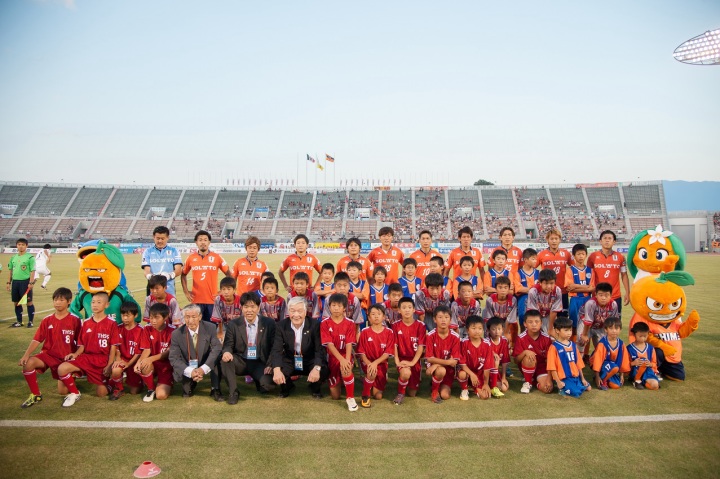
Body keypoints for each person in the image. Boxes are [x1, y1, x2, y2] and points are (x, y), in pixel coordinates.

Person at [18, 287, 81, 408]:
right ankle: (36, 395)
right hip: (48, 355)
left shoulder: (75, 320)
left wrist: (77, 357)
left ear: (69, 301)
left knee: (62, 391)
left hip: (65, 358)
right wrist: (26, 355)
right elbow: (37, 339)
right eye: (55, 300)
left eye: (61, 300)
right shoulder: (47, 320)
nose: (57, 303)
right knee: (29, 363)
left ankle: (72, 381)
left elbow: (81, 343)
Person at [57, 292, 120, 407]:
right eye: (93, 302)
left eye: (99, 302)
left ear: (106, 305)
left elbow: (113, 347)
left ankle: (111, 382)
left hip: (102, 360)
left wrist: (109, 364)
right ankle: (75, 393)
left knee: (101, 393)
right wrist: (75, 354)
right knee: (62, 368)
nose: (95, 305)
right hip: (86, 358)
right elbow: (82, 345)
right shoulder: (86, 323)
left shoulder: (112, 323)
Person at [221, 292, 276, 405]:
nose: (249, 310)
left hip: (259, 361)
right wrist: (227, 352)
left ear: (258, 307)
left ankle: (258, 380)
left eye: (252, 307)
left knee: (268, 385)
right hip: (241, 360)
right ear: (241, 308)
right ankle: (233, 392)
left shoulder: (269, 323)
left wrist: (270, 364)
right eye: (246, 307)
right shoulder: (233, 324)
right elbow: (228, 344)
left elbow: (274, 346)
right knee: (225, 360)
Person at [271, 297, 328, 398]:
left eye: (300, 311)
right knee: (277, 369)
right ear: (288, 312)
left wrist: (316, 368)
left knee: (323, 369)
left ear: (305, 312)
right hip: (290, 359)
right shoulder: (281, 325)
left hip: (309, 359)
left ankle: (315, 388)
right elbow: (277, 349)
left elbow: (319, 350)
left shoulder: (315, 325)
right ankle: (287, 387)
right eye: (292, 311)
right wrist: (276, 369)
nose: (296, 315)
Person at [169, 304, 223, 399]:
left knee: (216, 358)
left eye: (193, 317)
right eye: (187, 317)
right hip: (188, 363)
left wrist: (203, 369)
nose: (190, 321)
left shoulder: (210, 327)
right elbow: (174, 358)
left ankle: (215, 388)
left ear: (200, 317)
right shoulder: (176, 334)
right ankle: (191, 381)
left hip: (205, 360)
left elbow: (217, 348)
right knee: (186, 392)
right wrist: (190, 371)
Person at [181, 230, 231, 323]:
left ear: (209, 242)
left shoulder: (217, 257)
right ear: (196, 242)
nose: (203, 242)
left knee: (212, 327)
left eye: (205, 240)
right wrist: (186, 291)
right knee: (196, 327)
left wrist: (222, 291)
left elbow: (229, 275)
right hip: (196, 300)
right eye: (200, 240)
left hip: (212, 301)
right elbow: (183, 274)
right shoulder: (191, 258)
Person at [320, 293, 359, 411]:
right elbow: (329, 345)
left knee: (346, 368)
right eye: (333, 305)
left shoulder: (350, 323)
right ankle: (342, 380)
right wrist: (341, 360)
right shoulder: (324, 323)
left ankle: (350, 398)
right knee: (335, 396)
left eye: (339, 306)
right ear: (329, 307)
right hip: (332, 357)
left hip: (345, 354)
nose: (336, 308)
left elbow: (349, 343)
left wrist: (346, 360)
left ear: (344, 308)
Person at [135, 303, 175, 402]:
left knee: (161, 395)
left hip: (167, 366)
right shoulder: (147, 328)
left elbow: (169, 352)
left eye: (156, 318)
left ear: (166, 317)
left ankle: (168, 383)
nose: (153, 321)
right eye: (151, 317)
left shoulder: (173, 330)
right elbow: (146, 349)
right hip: (153, 363)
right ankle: (151, 388)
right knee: (143, 364)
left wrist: (150, 359)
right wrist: (140, 361)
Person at [357, 304, 396, 407]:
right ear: (369, 318)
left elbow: (387, 353)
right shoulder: (365, 332)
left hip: (381, 363)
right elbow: (361, 353)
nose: (376, 316)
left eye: (379, 314)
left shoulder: (389, 332)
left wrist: (375, 363)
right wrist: (370, 364)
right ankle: (365, 395)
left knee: (378, 396)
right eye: (373, 314)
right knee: (371, 371)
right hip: (368, 362)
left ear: (383, 317)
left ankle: (370, 381)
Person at [391, 298, 426, 405]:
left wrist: (412, 363)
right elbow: (394, 345)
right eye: (404, 307)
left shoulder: (421, 325)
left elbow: (421, 346)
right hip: (402, 358)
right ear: (399, 310)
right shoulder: (395, 325)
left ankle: (405, 381)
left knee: (412, 393)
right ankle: (400, 393)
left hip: (415, 360)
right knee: (406, 373)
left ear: (414, 309)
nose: (407, 310)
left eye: (409, 307)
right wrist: (397, 361)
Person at [587, 230, 630, 313]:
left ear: (614, 242)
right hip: (597, 296)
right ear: (600, 241)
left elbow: (624, 275)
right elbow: (588, 275)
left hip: (615, 296)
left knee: (615, 320)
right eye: (605, 238)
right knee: (597, 320)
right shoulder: (593, 256)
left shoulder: (620, 257)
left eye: (610, 238)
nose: (607, 240)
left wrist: (627, 292)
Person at [547, 316, 591, 397]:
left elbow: (578, 364)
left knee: (588, 388)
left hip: (575, 376)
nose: (569, 333)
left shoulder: (573, 345)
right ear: (557, 330)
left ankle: (575, 385)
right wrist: (558, 382)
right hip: (564, 378)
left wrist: (583, 378)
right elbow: (552, 367)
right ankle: (562, 388)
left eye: (570, 330)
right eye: (566, 330)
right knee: (576, 393)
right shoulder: (554, 347)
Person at [425, 305, 461, 403]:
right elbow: (429, 358)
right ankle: (434, 391)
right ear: (434, 319)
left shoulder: (455, 337)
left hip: (448, 369)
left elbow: (454, 362)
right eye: (440, 317)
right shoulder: (430, 335)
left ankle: (436, 382)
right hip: (433, 367)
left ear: (450, 320)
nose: (443, 320)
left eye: (446, 317)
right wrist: (446, 362)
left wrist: (437, 363)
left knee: (445, 395)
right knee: (441, 370)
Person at [108, 301, 143, 400]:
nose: (125, 318)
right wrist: (118, 359)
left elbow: (139, 352)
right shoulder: (118, 328)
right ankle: (119, 388)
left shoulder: (141, 330)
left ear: (135, 315)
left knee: (134, 391)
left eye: (128, 315)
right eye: (123, 315)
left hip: (134, 361)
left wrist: (129, 364)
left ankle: (116, 380)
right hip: (123, 359)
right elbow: (116, 347)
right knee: (116, 369)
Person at [514, 309, 554, 394]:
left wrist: (549, 379)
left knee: (547, 389)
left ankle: (534, 381)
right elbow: (516, 360)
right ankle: (528, 382)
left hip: (542, 368)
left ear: (541, 323)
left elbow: (550, 361)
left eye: (537, 322)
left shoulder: (546, 338)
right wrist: (525, 352)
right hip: (527, 365)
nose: (534, 324)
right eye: (530, 322)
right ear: (525, 324)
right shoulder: (520, 338)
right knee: (529, 357)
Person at [537, 229, 572, 316]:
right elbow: (532, 268)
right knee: (546, 316)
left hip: (563, 290)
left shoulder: (566, 254)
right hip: (547, 291)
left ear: (560, 240)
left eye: (556, 239)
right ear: (547, 240)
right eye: (551, 239)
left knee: (563, 317)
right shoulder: (541, 254)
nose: (554, 241)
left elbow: (574, 268)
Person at [457, 315, 493, 400]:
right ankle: (464, 389)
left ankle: (475, 386)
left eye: (480, 328)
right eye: (473, 328)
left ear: (483, 330)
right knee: (462, 374)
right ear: (467, 330)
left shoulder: (487, 344)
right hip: (467, 372)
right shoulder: (463, 343)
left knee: (485, 396)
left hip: (479, 374)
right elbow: (462, 364)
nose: (477, 331)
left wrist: (485, 383)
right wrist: (472, 374)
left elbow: (487, 366)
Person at [577, 282, 618, 354]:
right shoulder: (591, 303)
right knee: (581, 341)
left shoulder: (613, 304)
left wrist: (610, 335)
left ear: (611, 295)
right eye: (601, 295)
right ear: (596, 294)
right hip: (585, 324)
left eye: (606, 295)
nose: (603, 298)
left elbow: (612, 322)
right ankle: (579, 358)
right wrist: (584, 335)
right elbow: (587, 322)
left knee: (602, 346)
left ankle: (596, 358)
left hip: (601, 325)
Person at [141, 226, 183, 296]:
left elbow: (178, 270)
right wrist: (151, 276)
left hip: (169, 290)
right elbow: (146, 271)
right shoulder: (147, 251)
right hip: (152, 291)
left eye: (162, 238)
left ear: (167, 238)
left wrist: (169, 276)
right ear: (153, 237)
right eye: (158, 238)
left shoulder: (174, 251)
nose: (160, 241)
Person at [591, 316, 630, 390]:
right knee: (614, 368)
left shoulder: (621, 344)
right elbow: (597, 360)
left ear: (620, 330)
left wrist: (621, 375)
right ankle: (602, 379)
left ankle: (607, 378)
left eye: (616, 328)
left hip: (613, 368)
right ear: (606, 329)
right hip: (603, 366)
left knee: (616, 385)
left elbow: (624, 360)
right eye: (611, 328)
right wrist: (597, 376)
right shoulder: (603, 343)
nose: (614, 331)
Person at [565, 243, 594, 338]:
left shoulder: (590, 270)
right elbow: (569, 287)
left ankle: (585, 347)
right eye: (578, 254)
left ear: (586, 255)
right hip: (575, 300)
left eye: (583, 254)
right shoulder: (570, 270)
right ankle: (573, 344)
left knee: (587, 324)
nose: (581, 256)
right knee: (573, 325)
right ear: (573, 256)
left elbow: (592, 288)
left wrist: (576, 286)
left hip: (587, 300)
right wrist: (587, 287)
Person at [8, 238, 36, 328]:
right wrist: (8, 282)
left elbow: (32, 271)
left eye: (23, 245)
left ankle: (30, 321)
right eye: (19, 244)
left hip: (25, 282)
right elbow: (10, 270)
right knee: (16, 302)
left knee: (29, 302)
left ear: (26, 246)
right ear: (16, 245)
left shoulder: (30, 257)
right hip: (15, 282)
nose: (21, 246)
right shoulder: (13, 257)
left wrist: (31, 282)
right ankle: (19, 321)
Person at [482, 275, 518, 346]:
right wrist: (496, 331)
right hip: (493, 321)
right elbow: (490, 320)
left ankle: (513, 345)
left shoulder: (513, 300)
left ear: (509, 289)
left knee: (514, 324)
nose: (503, 290)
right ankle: (488, 343)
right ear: (495, 289)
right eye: (500, 287)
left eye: (505, 287)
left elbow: (510, 319)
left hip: (506, 323)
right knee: (485, 316)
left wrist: (506, 333)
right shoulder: (490, 300)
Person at [526, 269, 563, 335]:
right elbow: (533, 313)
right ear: (540, 282)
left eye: (551, 283)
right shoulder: (533, 292)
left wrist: (550, 329)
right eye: (546, 283)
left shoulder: (557, 291)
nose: (549, 286)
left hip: (549, 316)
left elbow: (554, 311)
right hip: (535, 315)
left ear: (555, 282)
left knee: (553, 336)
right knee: (535, 335)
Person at [626, 322, 660, 390]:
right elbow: (625, 364)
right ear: (634, 334)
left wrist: (650, 364)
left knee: (655, 385)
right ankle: (636, 379)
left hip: (648, 372)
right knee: (643, 360)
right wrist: (633, 363)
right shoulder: (629, 348)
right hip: (635, 372)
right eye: (640, 336)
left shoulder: (650, 348)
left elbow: (654, 363)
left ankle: (642, 382)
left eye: (645, 336)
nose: (643, 338)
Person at [513, 248, 540, 327]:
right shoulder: (518, 273)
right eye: (533, 259)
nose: (535, 261)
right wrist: (534, 288)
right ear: (525, 260)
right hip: (523, 298)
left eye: (536, 259)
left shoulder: (538, 273)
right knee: (522, 316)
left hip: (537, 299)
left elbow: (541, 288)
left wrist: (526, 289)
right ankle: (523, 332)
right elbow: (518, 289)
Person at [486, 316, 510, 397]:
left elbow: (505, 361)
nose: (497, 332)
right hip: (485, 370)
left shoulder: (504, 341)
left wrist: (503, 377)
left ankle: (493, 383)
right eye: (493, 329)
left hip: (495, 370)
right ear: (488, 330)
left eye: (499, 329)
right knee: (493, 359)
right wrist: (492, 353)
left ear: (503, 329)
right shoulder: (486, 341)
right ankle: (489, 384)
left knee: (504, 388)